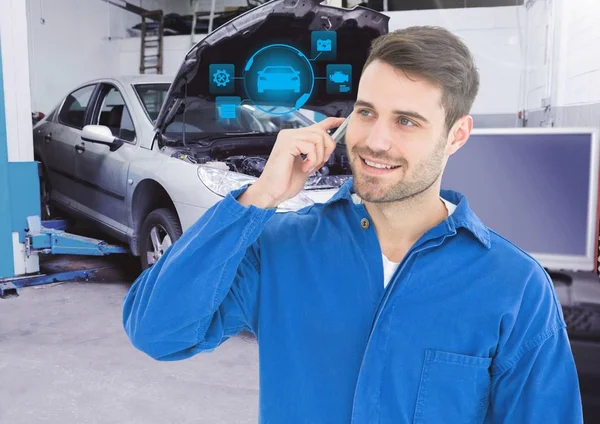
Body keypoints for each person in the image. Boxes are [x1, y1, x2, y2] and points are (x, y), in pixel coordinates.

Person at [123, 26, 583, 423]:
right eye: (366, 112)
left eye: (407, 121)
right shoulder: (282, 248)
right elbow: (155, 331)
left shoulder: (514, 286)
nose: (375, 141)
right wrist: (258, 197)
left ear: (456, 136)